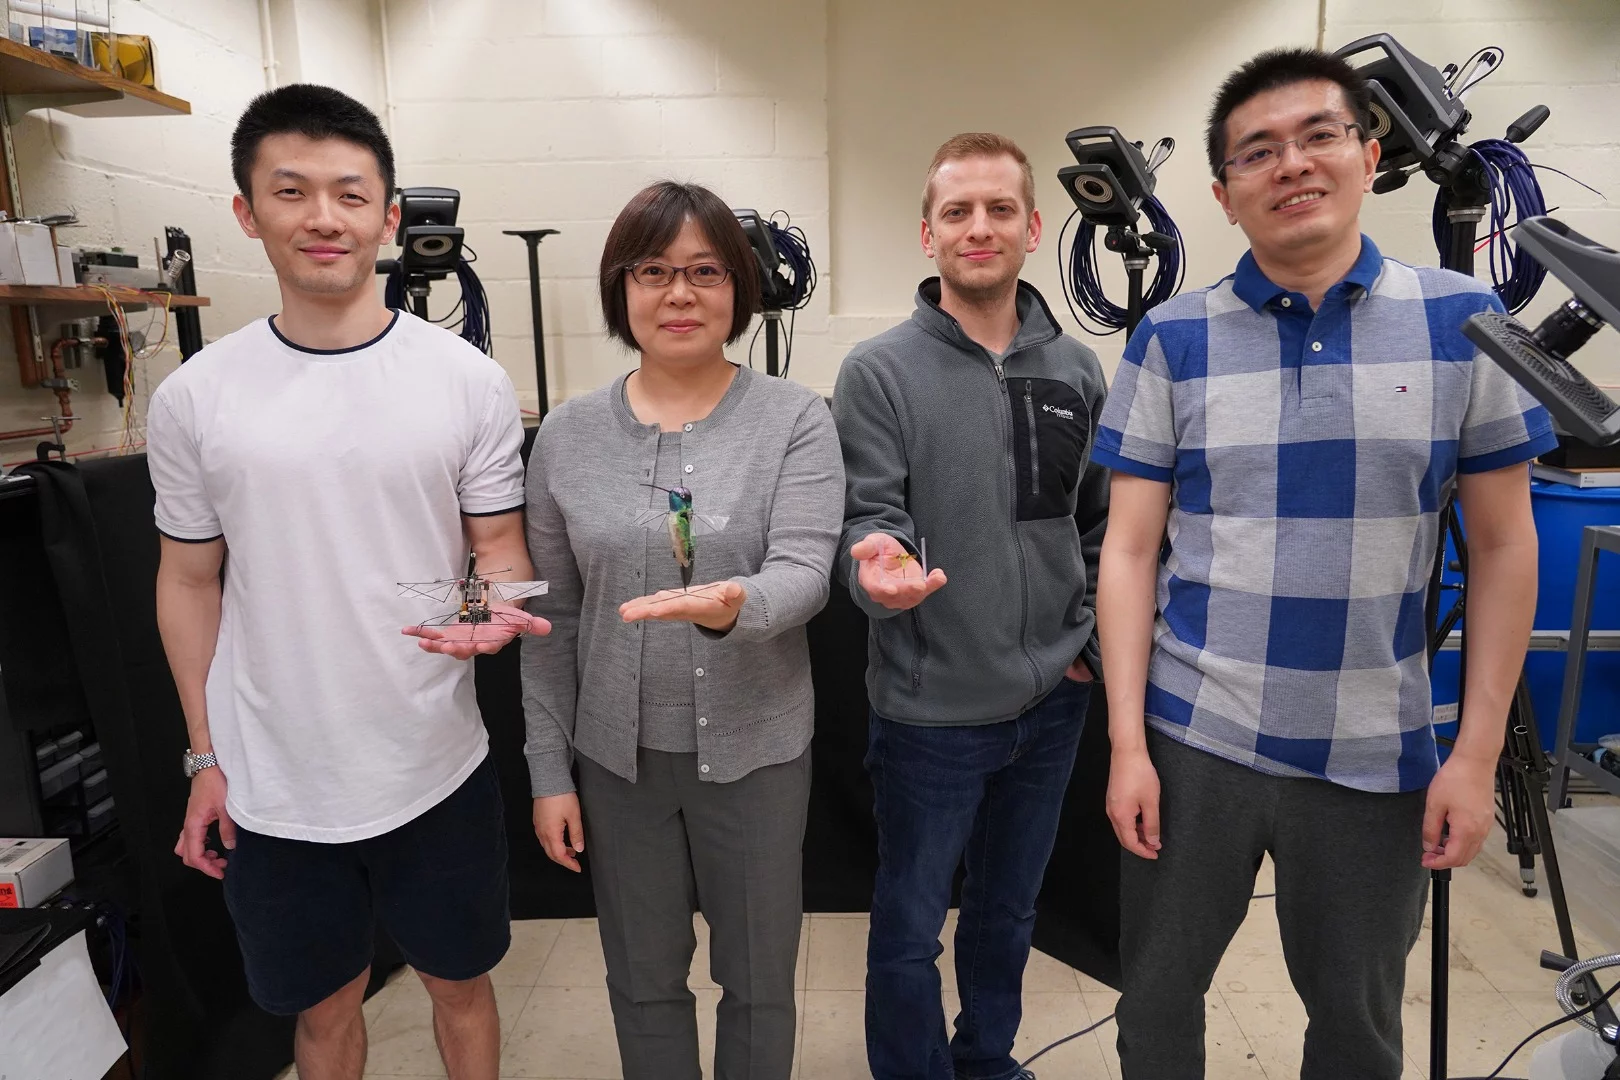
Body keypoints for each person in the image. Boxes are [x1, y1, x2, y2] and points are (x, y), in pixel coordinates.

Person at [1094, 48, 1556, 1079]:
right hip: (1192, 737)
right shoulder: (1171, 337)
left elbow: (1503, 545)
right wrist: (1127, 742)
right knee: (1156, 1007)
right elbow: (1127, 552)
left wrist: (1474, 757)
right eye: (1259, 151)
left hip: (1372, 747)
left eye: (1319, 137)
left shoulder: (1462, 323)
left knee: (1356, 1028)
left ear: (1368, 152)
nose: (1291, 165)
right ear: (1223, 193)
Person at [149, 85, 545, 1080]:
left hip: (434, 763)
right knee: (323, 1013)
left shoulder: (465, 381)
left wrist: (482, 613)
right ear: (248, 211)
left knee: (461, 987)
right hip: (276, 782)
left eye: (349, 194)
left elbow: (495, 549)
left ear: (389, 216)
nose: (323, 217)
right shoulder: (197, 396)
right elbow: (189, 582)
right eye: (292, 191)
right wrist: (206, 758)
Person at [520, 180, 844, 1080]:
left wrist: (738, 606)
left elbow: (806, 569)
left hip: (759, 753)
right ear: (621, 291)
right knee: (644, 981)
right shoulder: (568, 436)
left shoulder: (794, 419)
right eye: (653, 271)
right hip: (618, 767)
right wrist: (551, 773)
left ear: (739, 290)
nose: (679, 293)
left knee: (760, 981)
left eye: (705, 271)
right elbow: (553, 618)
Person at [833, 132, 1110, 1080]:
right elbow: (871, 518)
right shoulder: (878, 372)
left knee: (1009, 909)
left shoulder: (1075, 371)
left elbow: (1095, 526)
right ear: (927, 234)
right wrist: (877, 572)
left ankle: (987, 1059)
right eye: (957, 212)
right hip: (930, 712)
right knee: (911, 925)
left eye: (998, 209)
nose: (978, 227)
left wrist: (1088, 656)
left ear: (1033, 227)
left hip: (1055, 702)